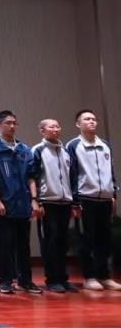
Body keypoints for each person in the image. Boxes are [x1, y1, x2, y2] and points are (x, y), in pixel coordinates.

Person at [0, 110, 41, 294]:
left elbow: (31, 177)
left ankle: (25, 280)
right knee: (4, 244)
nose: (12, 126)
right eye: (8, 123)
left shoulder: (24, 149)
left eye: (14, 123)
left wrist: (34, 200)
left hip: (23, 203)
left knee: (24, 244)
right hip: (4, 204)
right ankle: (5, 280)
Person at [66, 109, 121, 291]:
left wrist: (113, 193)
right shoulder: (73, 146)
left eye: (94, 119)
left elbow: (110, 171)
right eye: (87, 119)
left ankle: (104, 276)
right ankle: (89, 277)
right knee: (86, 240)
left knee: (105, 239)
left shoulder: (105, 145)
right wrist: (75, 201)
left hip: (105, 199)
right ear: (78, 124)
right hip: (85, 198)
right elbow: (71, 175)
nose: (92, 121)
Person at [29, 118, 78, 293]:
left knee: (63, 242)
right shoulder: (38, 150)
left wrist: (74, 202)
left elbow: (73, 178)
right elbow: (32, 176)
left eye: (58, 126)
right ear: (42, 131)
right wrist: (36, 200)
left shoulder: (65, 151)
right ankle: (52, 279)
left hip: (65, 202)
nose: (56, 129)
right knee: (50, 241)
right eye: (52, 127)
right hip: (47, 202)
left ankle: (63, 279)